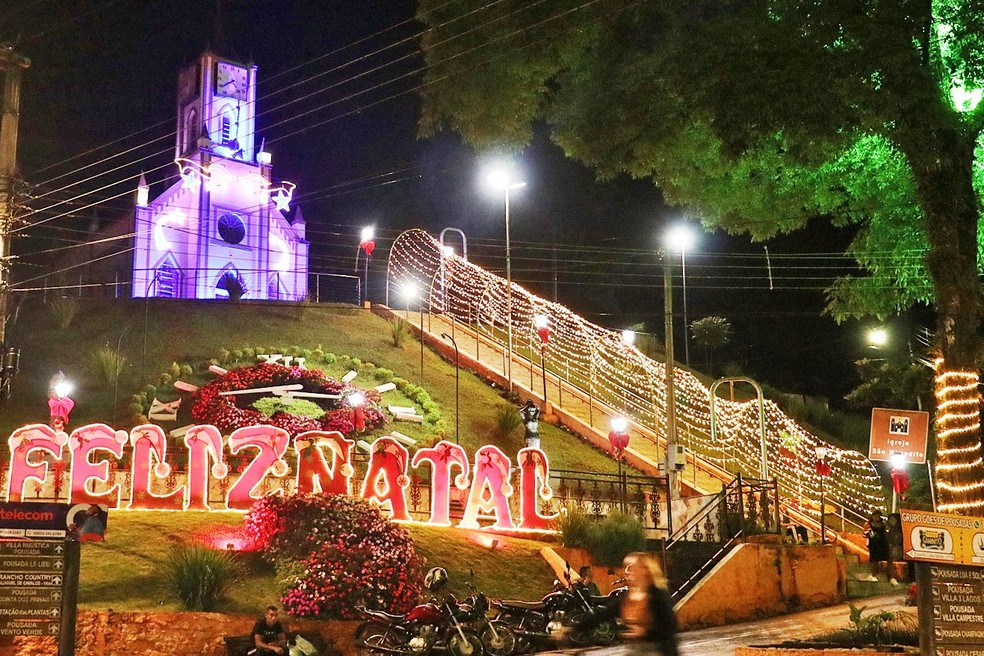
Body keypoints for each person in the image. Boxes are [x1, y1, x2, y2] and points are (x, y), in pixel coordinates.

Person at [574, 552, 678, 656]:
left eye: (631, 567)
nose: (627, 571)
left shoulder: (657, 595)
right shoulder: (628, 597)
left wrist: (645, 633)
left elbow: (670, 625)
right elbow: (603, 614)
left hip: (658, 650)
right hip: (636, 650)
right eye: (626, 567)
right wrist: (573, 628)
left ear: (644, 570)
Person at [864, 509, 890, 578]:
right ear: (872, 516)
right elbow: (865, 532)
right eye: (876, 516)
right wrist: (870, 533)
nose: (877, 518)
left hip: (882, 543)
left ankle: (889, 576)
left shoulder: (882, 524)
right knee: (874, 560)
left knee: (887, 559)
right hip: (873, 543)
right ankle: (873, 575)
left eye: (878, 517)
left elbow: (885, 532)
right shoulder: (868, 524)